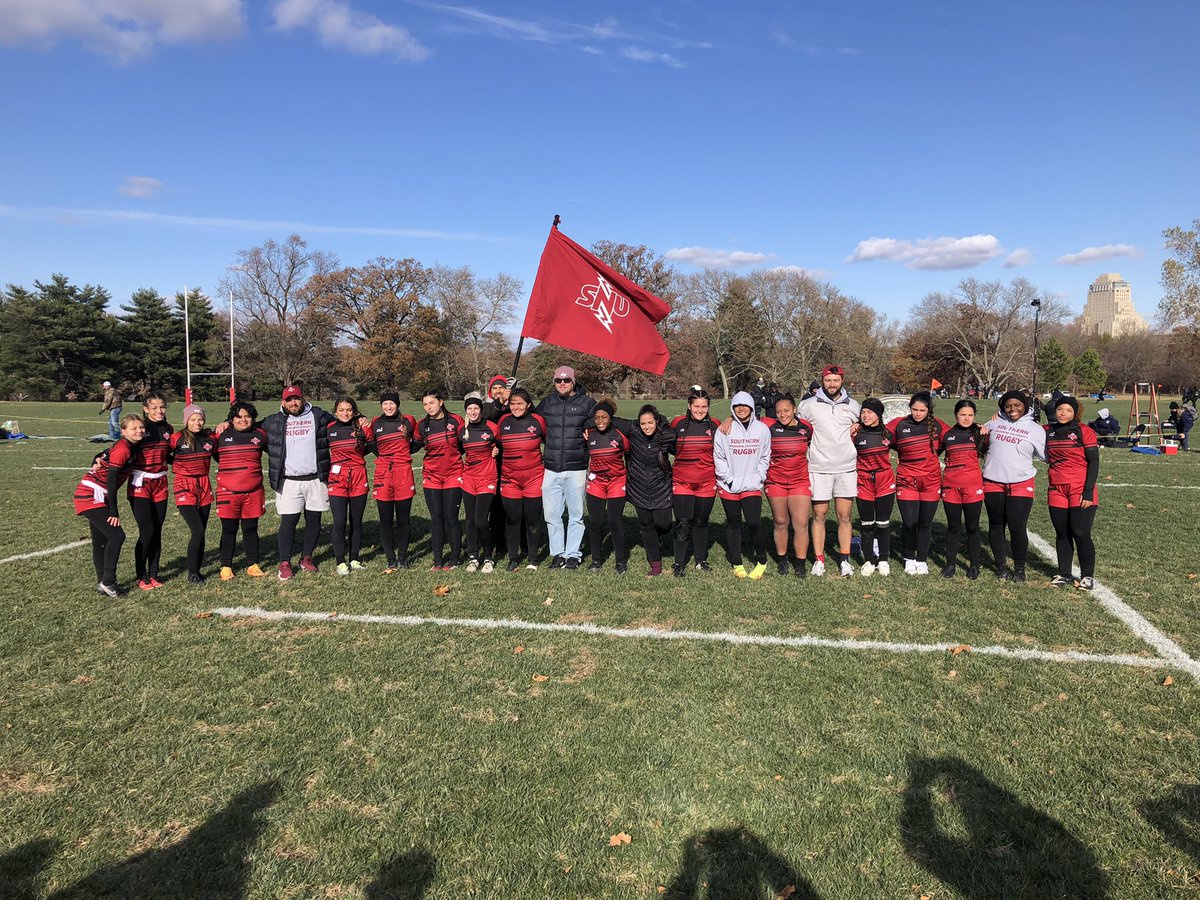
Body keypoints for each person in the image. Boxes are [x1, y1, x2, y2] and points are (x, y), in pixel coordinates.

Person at [259, 385, 337, 580]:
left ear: (303, 399)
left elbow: (342, 420)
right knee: (289, 521)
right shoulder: (272, 421)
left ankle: (306, 557)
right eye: (289, 400)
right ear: (283, 402)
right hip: (288, 480)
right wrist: (226, 423)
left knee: (314, 521)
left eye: (297, 399)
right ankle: (285, 562)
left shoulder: (318, 415)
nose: (293, 403)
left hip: (315, 478)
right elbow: (247, 425)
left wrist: (359, 418)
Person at [798, 365, 861, 577]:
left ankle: (844, 559)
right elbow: (792, 424)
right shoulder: (808, 405)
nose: (832, 384)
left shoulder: (853, 405)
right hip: (819, 468)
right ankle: (819, 560)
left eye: (835, 380)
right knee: (819, 515)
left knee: (845, 516)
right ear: (822, 381)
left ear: (842, 380)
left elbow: (865, 426)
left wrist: (857, 428)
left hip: (846, 469)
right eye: (828, 380)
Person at [74, 413, 143, 596]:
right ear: (123, 431)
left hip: (99, 492)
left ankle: (102, 583)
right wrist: (114, 511)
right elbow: (112, 480)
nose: (139, 431)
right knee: (117, 535)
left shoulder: (128, 444)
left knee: (101, 541)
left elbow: (104, 453)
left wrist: (96, 457)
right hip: (91, 493)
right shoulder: (123, 449)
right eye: (134, 428)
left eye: (141, 427)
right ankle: (108, 581)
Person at [980, 390, 1045, 582]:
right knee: (997, 525)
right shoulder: (994, 423)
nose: (1012, 409)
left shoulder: (1035, 429)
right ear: (1002, 407)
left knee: (1017, 527)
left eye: (1017, 405)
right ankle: (1001, 567)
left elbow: (1047, 455)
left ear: (1025, 406)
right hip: (992, 480)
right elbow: (980, 442)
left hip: (1021, 482)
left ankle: (1019, 569)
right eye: (1008, 406)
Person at [536, 366, 596, 570]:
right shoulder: (546, 403)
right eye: (558, 380)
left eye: (566, 380)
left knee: (576, 514)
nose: (562, 383)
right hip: (551, 467)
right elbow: (533, 425)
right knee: (552, 515)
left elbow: (598, 427)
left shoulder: (587, 403)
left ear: (574, 381)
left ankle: (573, 554)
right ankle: (558, 554)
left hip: (576, 467)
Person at [887, 391, 949, 576]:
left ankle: (921, 559)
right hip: (907, 480)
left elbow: (954, 436)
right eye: (914, 409)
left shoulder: (937, 425)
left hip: (930, 481)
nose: (918, 413)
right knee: (909, 522)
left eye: (922, 410)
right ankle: (908, 558)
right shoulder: (899, 423)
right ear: (910, 408)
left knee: (925, 523)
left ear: (929, 410)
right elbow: (879, 432)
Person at [714, 391, 772, 579]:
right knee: (734, 523)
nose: (741, 409)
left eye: (745, 405)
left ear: (751, 408)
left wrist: (758, 477)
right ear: (732, 408)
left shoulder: (762, 429)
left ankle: (761, 560)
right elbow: (719, 457)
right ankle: (737, 563)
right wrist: (729, 479)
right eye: (737, 406)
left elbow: (765, 456)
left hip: (752, 484)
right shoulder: (724, 429)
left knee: (754, 522)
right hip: (729, 484)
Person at [1045, 395, 1100, 590]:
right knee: (1062, 533)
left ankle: (1088, 576)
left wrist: (1088, 491)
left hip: (1080, 488)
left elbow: (1094, 461)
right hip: (1056, 489)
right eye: (1060, 409)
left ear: (1075, 413)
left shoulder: (1084, 431)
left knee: (1080, 532)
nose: (1063, 413)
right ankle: (1064, 574)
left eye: (1068, 410)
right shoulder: (1047, 431)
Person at [212, 400, 268, 580]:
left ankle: (252, 564)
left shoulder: (260, 435)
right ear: (232, 419)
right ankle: (226, 566)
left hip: (253, 491)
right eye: (239, 417)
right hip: (228, 491)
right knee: (229, 529)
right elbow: (212, 452)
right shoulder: (220, 435)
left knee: (251, 529)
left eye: (248, 416)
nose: (243, 420)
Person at [761, 393, 814, 577]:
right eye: (778, 411)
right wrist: (728, 419)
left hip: (799, 481)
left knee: (801, 523)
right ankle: (782, 561)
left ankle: (800, 564)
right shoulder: (768, 426)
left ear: (794, 410)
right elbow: (744, 417)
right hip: (775, 481)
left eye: (786, 410)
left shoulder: (806, 428)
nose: (782, 415)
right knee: (781, 522)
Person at [619, 404, 675, 576]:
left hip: (661, 486)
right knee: (646, 526)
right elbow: (609, 418)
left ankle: (657, 538)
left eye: (650, 423)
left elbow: (679, 447)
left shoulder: (667, 435)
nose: (647, 427)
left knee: (664, 525)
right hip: (639, 487)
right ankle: (655, 563)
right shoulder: (633, 431)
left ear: (656, 421)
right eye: (643, 423)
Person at [497, 388, 547, 570]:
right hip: (510, 479)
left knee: (533, 519)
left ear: (528, 405)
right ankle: (513, 558)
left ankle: (533, 558)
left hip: (534, 478)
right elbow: (493, 441)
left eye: (519, 403)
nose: (516, 407)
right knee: (512, 519)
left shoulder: (538, 421)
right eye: (512, 403)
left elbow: (550, 442)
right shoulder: (503, 421)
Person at [415, 390, 465, 571]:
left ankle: (454, 559)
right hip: (432, 476)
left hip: (453, 474)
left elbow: (464, 444)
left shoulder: (456, 421)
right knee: (436, 518)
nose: (429, 407)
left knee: (451, 517)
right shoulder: (422, 425)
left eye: (432, 403)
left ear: (441, 402)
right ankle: (437, 561)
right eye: (425, 404)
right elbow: (414, 446)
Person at [370, 390, 419, 573]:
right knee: (385, 519)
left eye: (392, 403)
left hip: (403, 473)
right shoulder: (376, 423)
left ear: (397, 404)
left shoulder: (408, 421)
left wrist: (402, 456)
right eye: (385, 404)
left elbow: (418, 441)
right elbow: (372, 446)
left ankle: (403, 557)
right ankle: (390, 558)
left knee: (403, 518)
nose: (389, 407)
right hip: (383, 473)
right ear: (381, 405)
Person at [671, 389, 720, 572]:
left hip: (707, 482)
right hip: (682, 482)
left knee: (701, 522)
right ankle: (679, 563)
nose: (700, 410)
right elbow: (667, 444)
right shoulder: (677, 423)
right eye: (696, 406)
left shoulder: (715, 424)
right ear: (689, 406)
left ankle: (701, 560)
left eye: (704, 406)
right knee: (683, 523)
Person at [128, 391, 173, 590]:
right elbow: (121, 447)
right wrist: (100, 456)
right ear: (145, 409)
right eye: (154, 407)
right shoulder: (140, 428)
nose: (159, 411)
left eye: (162, 407)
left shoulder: (168, 429)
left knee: (157, 531)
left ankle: (154, 573)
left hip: (160, 483)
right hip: (140, 483)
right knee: (147, 531)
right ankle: (141, 575)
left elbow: (171, 455)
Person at [939, 399, 987, 580]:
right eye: (962, 414)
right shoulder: (947, 435)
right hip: (951, 486)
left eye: (970, 415)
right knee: (953, 527)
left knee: (972, 527)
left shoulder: (981, 433)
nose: (966, 418)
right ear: (955, 415)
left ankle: (975, 565)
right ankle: (950, 563)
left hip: (972, 486)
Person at [169, 404, 215, 584]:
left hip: (204, 484)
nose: (198, 422)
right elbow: (163, 454)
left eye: (201, 419)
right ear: (186, 420)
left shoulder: (209, 439)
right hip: (184, 484)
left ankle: (197, 569)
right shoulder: (176, 438)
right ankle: (192, 573)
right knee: (197, 529)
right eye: (193, 419)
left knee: (201, 531)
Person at [326, 397, 372, 576]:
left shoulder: (362, 426)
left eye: (349, 410)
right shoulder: (329, 429)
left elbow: (372, 446)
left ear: (354, 411)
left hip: (358, 476)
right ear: (335, 411)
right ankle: (340, 561)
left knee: (356, 521)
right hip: (337, 478)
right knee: (339, 522)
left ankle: (354, 558)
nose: (345, 413)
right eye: (341, 410)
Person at [583, 399, 630, 572]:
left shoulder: (620, 435)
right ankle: (596, 560)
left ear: (611, 418)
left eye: (604, 417)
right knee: (595, 522)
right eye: (597, 417)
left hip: (617, 481)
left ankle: (620, 561)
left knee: (614, 521)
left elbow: (628, 457)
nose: (600, 420)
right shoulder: (589, 433)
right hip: (596, 482)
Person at [853, 398, 895, 576]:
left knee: (883, 523)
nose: (866, 415)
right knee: (867, 523)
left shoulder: (888, 434)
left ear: (879, 415)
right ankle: (869, 560)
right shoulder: (855, 433)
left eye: (870, 412)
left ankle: (884, 559)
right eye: (863, 412)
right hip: (863, 481)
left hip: (884, 481)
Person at [460, 393, 500, 573]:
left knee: (481, 520)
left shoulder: (491, 427)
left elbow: (501, 446)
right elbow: (458, 449)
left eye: (476, 408)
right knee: (470, 520)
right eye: (470, 409)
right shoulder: (463, 430)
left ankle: (488, 557)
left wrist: (497, 450)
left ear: (481, 410)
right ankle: (473, 556)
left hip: (487, 477)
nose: (473, 411)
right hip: (468, 478)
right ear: (466, 411)